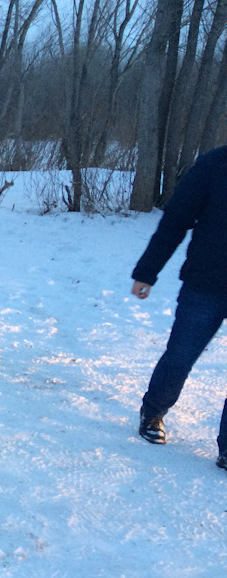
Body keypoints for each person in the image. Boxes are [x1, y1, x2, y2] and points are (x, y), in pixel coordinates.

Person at [131, 145, 227, 470]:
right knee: (180, 356)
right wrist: (147, 271)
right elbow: (176, 219)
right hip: (206, 283)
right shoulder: (215, 164)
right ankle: (153, 411)